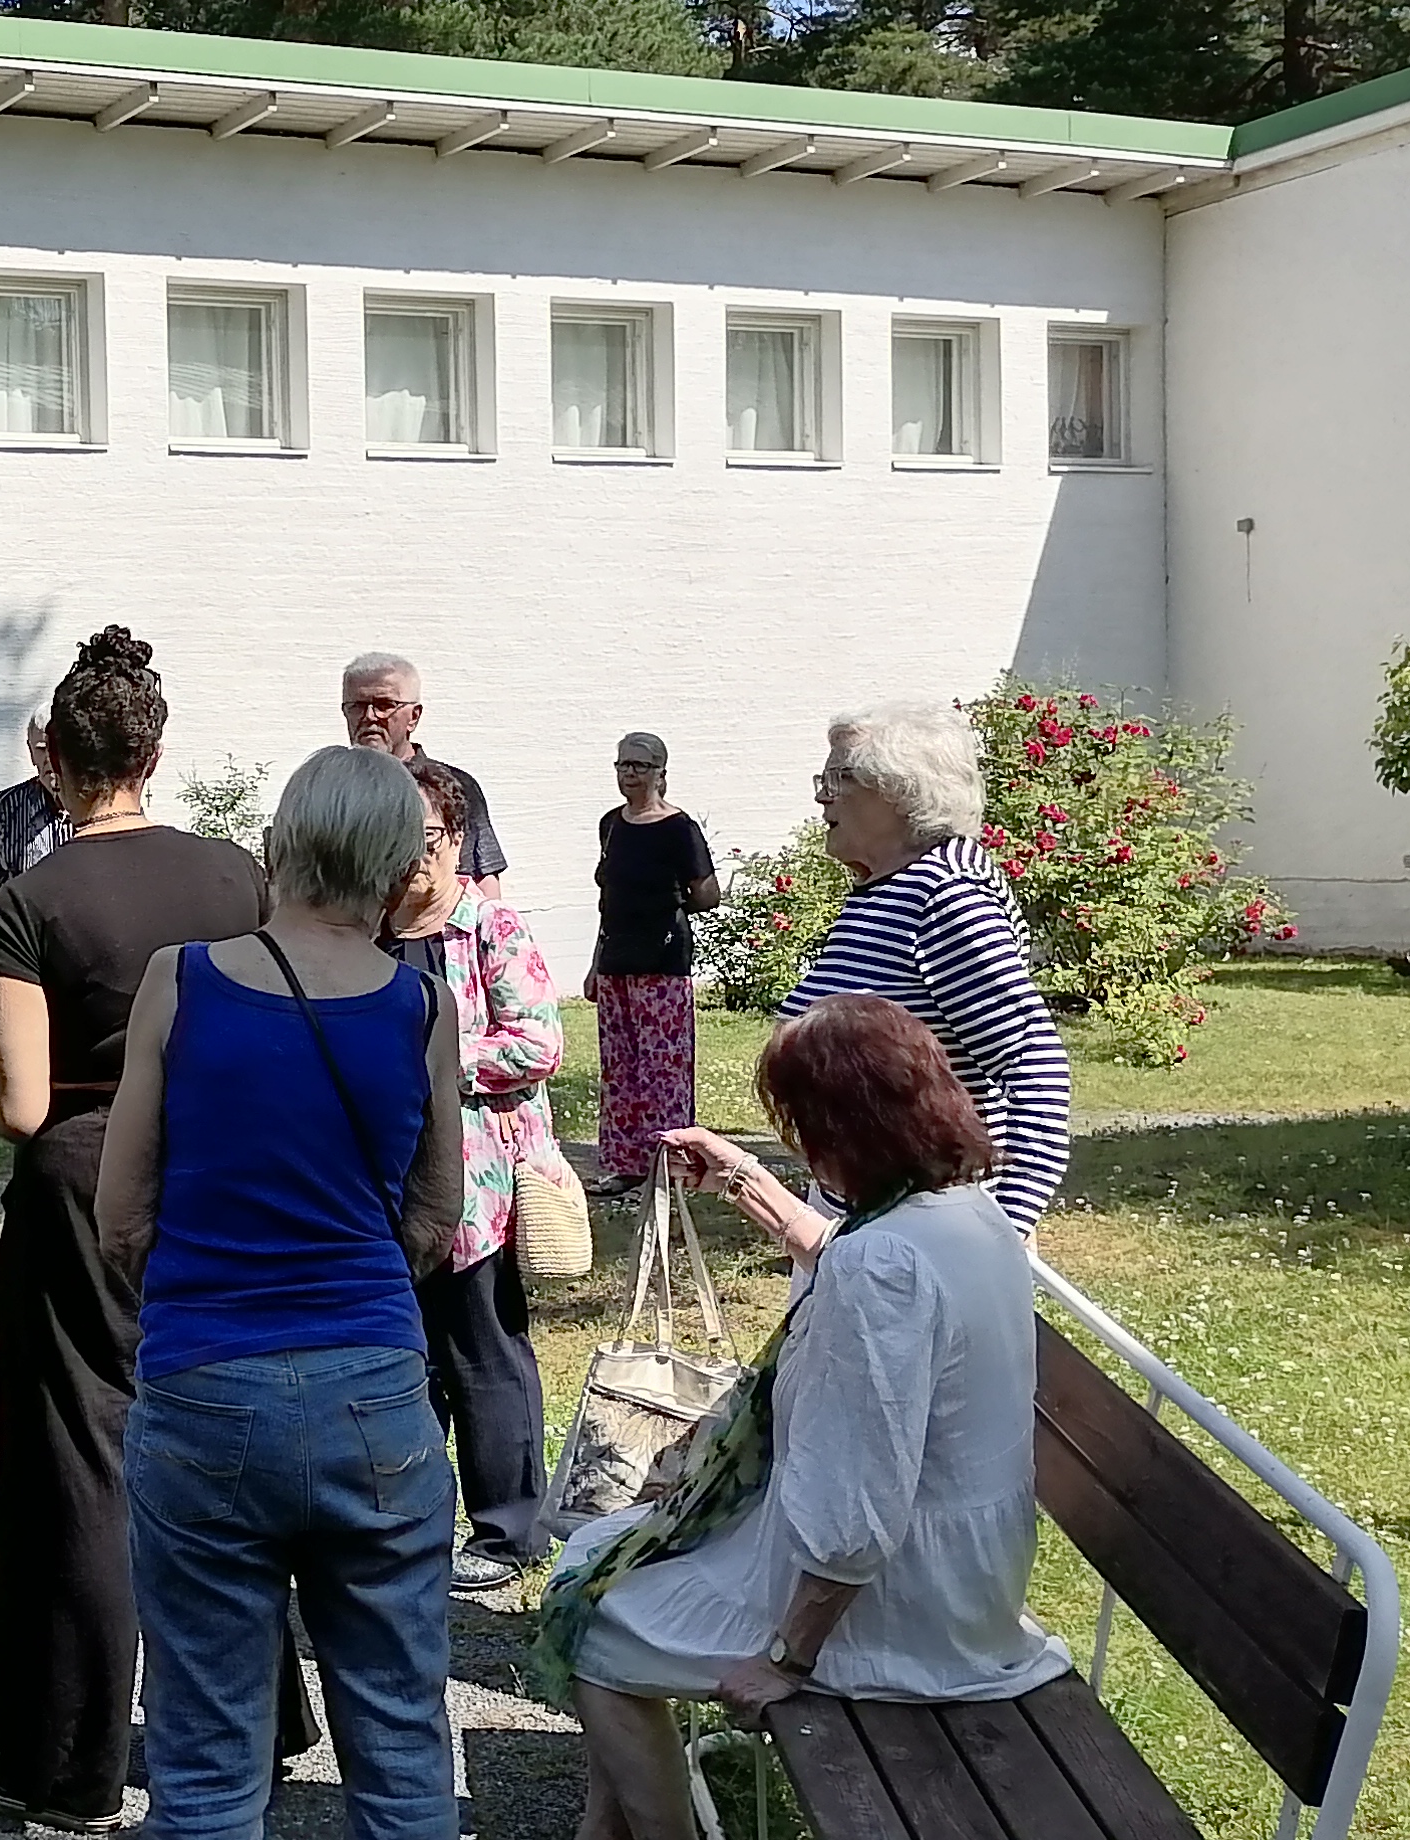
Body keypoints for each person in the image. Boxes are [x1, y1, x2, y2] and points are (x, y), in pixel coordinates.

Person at [536, 996, 1071, 1840]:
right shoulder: (969, 1214)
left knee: (596, 1621)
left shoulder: (881, 1267)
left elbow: (855, 1512)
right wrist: (744, 1181)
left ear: (832, 1131)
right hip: (964, 1576)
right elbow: (849, 1257)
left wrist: (786, 1659)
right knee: (599, 1553)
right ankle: (607, 1831)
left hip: (900, 1614)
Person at [97, 745, 470, 1840]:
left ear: (276, 848)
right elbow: (435, 1217)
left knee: (207, 1765)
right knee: (401, 1750)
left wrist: (197, 1300)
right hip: (375, 1388)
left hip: (206, 1377)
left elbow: (121, 1214)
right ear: (399, 868)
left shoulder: (182, 980)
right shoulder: (422, 1006)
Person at [0, 627, 269, 1831]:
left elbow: (19, 1105)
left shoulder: (29, 900)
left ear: (54, 758)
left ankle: (68, 1762)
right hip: (221, 1168)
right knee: (226, 1437)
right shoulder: (234, 878)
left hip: (86, 1178)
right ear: (155, 748)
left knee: (80, 1460)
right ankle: (255, 1724)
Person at [787, 702, 1074, 1232]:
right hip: (876, 1211)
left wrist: (1005, 1229)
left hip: (933, 1223)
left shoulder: (946, 896)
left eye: (840, 777)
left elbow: (1033, 1066)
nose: (822, 795)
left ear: (899, 790)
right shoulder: (887, 889)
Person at [386, 754, 562, 1596]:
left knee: (484, 1354)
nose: (414, 856)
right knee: (405, 1359)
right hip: (384, 1182)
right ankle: (415, 1524)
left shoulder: (492, 928)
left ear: (458, 839)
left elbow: (537, 1044)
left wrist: (432, 1064)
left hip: (474, 1183)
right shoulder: (365, 933)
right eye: (398, 837)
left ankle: (507, 1531)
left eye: (428, 837)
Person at [587, 733, 722, 1200]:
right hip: (615, 961)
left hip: (663, 961)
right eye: (623, 764)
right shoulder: (611, 825)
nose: (630, 773)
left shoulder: (678, 828)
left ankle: (670, 1165)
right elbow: (608, 900)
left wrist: (666, 907)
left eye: (640, 766)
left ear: (661, 772)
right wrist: (595, 964)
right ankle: (624, 1165)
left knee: (663, 1069)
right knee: (620, 1069)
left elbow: (707, 893)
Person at [338, 653, 507, 898]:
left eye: (384, 705)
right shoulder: (328, 790)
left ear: (414, 717)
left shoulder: (454, 787)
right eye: (357, 706)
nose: (369, 716)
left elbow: (483, 882)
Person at [0, 705, 69, 904]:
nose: (49, 758)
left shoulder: (104, 804)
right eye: (41, 749)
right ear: (30, 751)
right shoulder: (3, 809)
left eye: (58, 747)